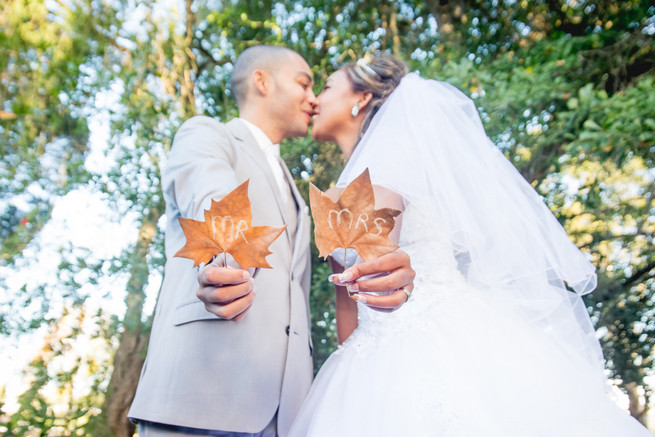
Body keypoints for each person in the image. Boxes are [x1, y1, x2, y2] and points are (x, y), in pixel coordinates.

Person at [288, 54, 652, 436]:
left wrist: (387, 276)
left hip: (428, 344)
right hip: (372, 349)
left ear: (360, 98)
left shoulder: (391, 162)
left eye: (325, 87)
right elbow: (349, 318)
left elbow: (382, 248)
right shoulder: (339, 191)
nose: (315, 100)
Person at [128, 46, 415, 437]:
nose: (313, 98)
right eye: (304, 83)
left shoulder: (301, 196)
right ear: (262, 81)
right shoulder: (209, 134)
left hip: (287, 414)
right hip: (201, 399)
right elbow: (212, 198)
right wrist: (222, 261)